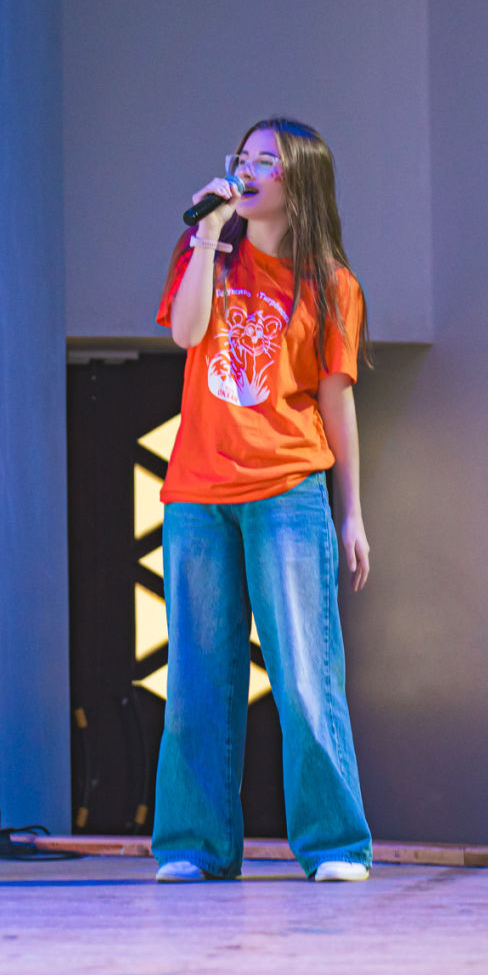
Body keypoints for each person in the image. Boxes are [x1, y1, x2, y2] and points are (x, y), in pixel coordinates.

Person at [151, 117, 373, 883]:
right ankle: (194, 843)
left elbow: (337, 400)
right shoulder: (204, 249)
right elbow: (187, 334)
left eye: (265, 162)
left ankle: (335, 842)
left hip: (288, 487)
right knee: (197, 678)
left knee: (305, 673)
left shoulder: (332, 283)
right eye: (241, 157)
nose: (247, 171)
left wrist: (351, 510)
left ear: (298, 180)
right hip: (197, 492)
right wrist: (209, 235)